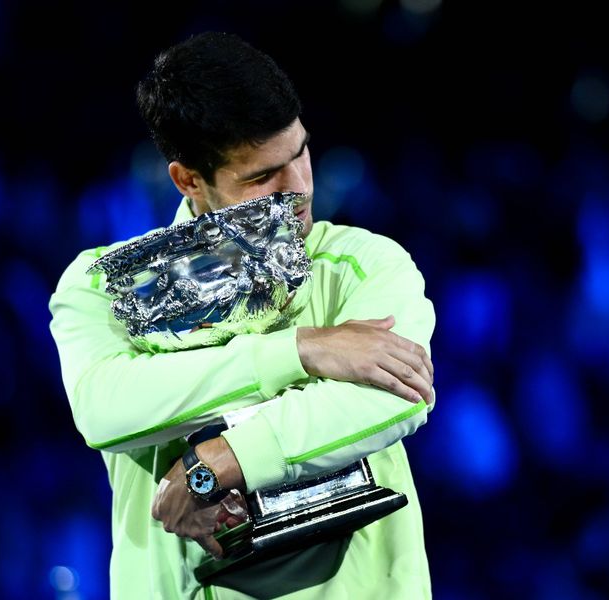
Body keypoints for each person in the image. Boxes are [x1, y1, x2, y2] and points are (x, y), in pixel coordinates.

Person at [48, 31, 436, 599]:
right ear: (188, 180)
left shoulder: (364, 262)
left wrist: (219, 463)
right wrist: (298, 350)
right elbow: (104, 408)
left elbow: (393, 396)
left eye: (300, 152)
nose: (299, 187)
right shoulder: (103, 283)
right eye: (261, 177)